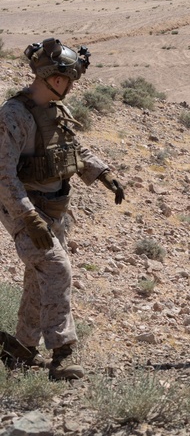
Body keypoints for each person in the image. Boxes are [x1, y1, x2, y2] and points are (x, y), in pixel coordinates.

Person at [0, 38, 126, 380]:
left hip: (54, 209)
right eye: (66, 78)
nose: (71, 85)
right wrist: (28, 217)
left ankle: (23, 350)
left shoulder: (55, 110)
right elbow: (3, 176)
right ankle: (63, 354)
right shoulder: (13, 115)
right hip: (25, 210)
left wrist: (102, 173)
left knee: (39, 279)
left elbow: (73, 148)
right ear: (49, 77)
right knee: (57, 269)